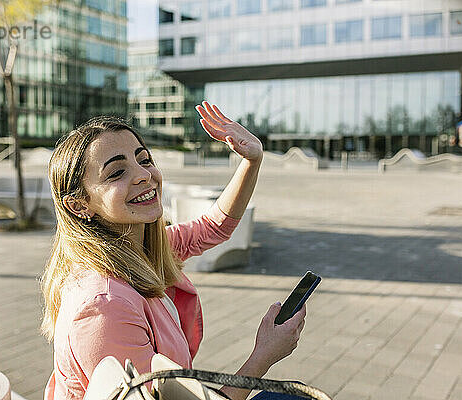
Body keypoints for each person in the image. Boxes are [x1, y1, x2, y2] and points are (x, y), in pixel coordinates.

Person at [41, 102, 307, 400]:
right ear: (79, 204)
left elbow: (214, 227)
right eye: (116, 173)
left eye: (144, 160)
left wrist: (251, 160)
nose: (144, 175)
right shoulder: (104, 307)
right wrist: (264, 355)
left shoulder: (144, 249)